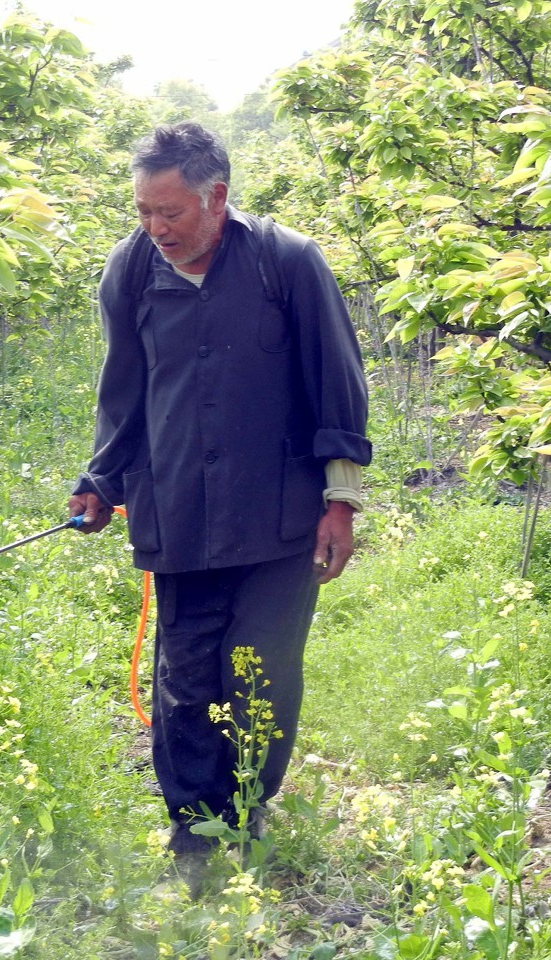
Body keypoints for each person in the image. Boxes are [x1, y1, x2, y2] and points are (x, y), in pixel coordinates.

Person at [67, 122, 370, 884]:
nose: (155, 228)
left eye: (169, 212)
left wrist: (342, 500)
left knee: (260, 672)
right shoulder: (131, 271)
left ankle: (248, 810)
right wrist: (101, 480)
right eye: (142, 211)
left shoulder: (287, 263)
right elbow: (123, 391)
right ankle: (194, 835)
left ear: (217, 198)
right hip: (177, 511)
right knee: (186, 676)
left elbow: (337, 383)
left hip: (279, 516)